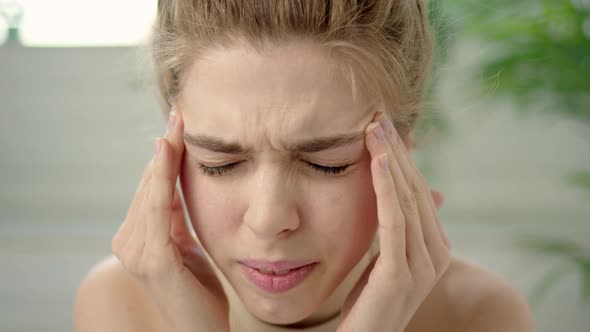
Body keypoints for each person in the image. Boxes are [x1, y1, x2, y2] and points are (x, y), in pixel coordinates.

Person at [74, 1, 535, 331]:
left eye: (326, 163)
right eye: (219, 163)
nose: (269, 219)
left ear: (404, 150)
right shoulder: (119, 307)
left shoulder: (480, 316)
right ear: (173, 154)